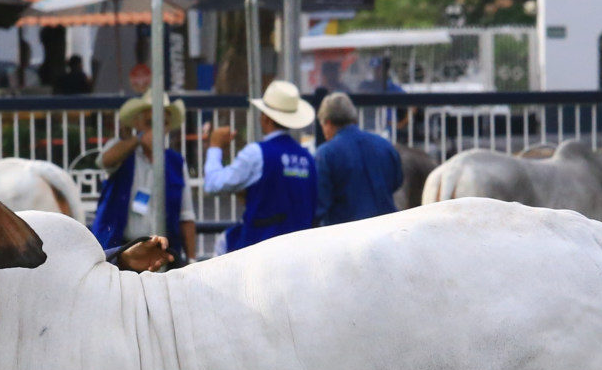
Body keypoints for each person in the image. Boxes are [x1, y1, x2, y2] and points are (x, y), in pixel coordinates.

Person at [202, 79, 318, 253]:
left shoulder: (257, 153)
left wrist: (215, 147)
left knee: (223, 245)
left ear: (265, 117)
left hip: (260, 251)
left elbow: (213, 184)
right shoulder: (308, 158)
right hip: (301, 252)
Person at [90, 89, 197, 265]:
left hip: (162, 254)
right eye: (150, 123)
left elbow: (186, 216)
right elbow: (104, 161)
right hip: (121, 251)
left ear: (168, 127)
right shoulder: (123, 150)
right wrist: (137, 140)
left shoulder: (176, 162)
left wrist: (192, 260)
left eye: (162, 123)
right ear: (138, 125)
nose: (157, 129)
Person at [313, 92, 402, 225]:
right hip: (386, 232)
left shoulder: (326, 154)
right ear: (354, 119)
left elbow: (320, 203)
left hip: (346, 236)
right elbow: (397, 182)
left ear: (328, 123)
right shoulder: (385, 146)